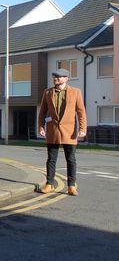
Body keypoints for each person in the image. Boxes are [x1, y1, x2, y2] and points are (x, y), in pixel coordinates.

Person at [38, 68, 87, 196]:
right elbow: (42, 111)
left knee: (71, 159)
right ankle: (49, 184)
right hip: (52, 130)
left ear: (66, 78)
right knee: (51, 159)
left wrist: (82, 129)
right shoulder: (47, 92)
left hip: (69, 132)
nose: (56, 78)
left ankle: (71, 186)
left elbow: (81, 112)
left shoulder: (76, 92)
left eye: (59, 76)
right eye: (55, 76)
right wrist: (41, 127)